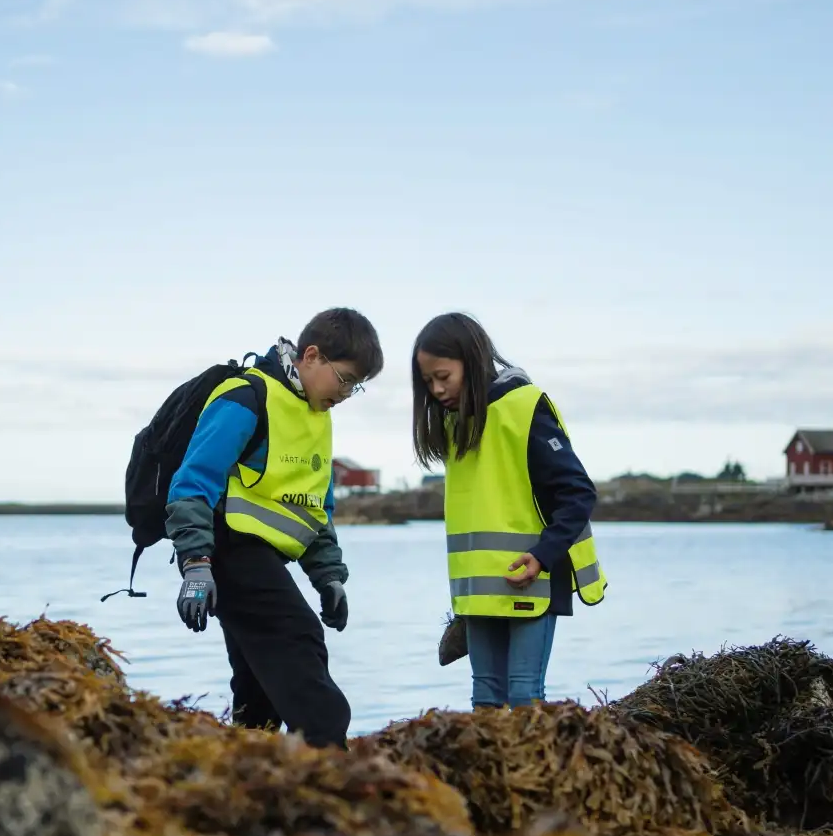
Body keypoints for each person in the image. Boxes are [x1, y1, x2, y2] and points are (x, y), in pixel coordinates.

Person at [165, 308, 384, 748]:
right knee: (299, 640)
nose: (348, 392)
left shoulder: (317, 419)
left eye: (357, 386)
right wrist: (196, 565)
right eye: (345, 379)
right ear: (311, 355)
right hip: (227, 550)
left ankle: (249, 776)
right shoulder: (247, 396)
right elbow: (191, 484)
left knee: (258, 684)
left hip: (263, 559)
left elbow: (312, 510)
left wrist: (329, 578)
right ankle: (330, 764)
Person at [413, 312, 605, 709]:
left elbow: (578, 493)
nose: (436, 390)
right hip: (481, 592)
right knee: (485, 700)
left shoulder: (524, 406)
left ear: (472, 359)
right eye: (428, 381)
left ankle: (536, 773)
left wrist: (542, 556)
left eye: (443, 376)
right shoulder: (454, 425)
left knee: (524, 698)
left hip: (533, 579)